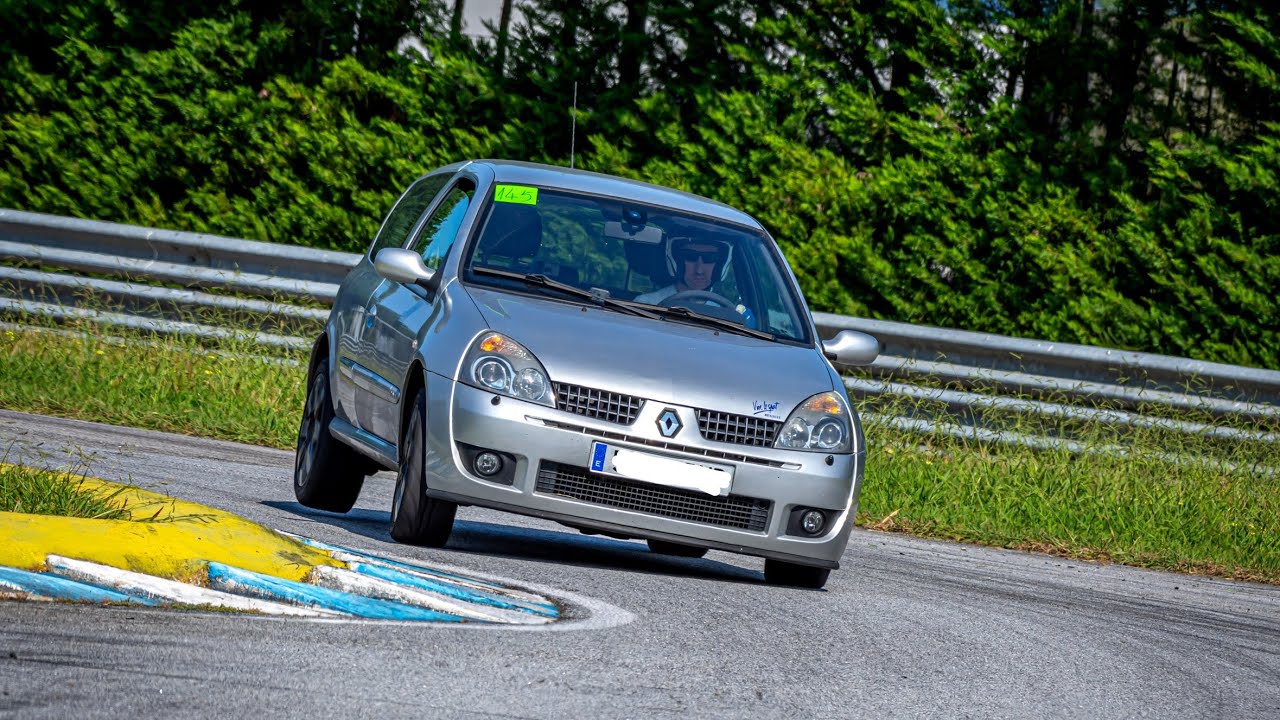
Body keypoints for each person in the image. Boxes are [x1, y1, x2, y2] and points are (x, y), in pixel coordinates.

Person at [634, 235, 733, 305]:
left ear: (720, 265)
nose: (699, 270)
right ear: (677, 260)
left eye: (710, 258)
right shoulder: (648, 304)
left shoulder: (725, 313)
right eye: (690, 257)